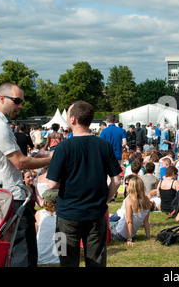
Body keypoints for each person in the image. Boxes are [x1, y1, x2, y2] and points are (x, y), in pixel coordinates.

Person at [47, 101, 122, 267]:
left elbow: (51, 184)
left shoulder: (62, 147)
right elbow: (117, 180)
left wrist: (70, 184)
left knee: (66, 260)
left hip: (66, 215)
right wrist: (105, 199)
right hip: (95, 213)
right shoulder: (104, 145)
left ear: (73, 119)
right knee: (96, 261)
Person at [0, 83, 52, 267]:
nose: (20, 105)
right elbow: (19, 162)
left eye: (21, 101)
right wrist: (50, 160)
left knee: (4, 252)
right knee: (22, 252)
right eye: (17, 101)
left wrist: (33, 157)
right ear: (1, 98)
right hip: (9, 198)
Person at [110, 175, 151, 245]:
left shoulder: (129, 200)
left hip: (119, 234)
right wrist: (148, 236)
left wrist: (129, 240)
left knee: (105, 222)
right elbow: (146, 221)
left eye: (128, 184)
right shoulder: (146, 200)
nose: (126, 186)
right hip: (129, 233)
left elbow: (129, 221)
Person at [35, 189, 59, 265]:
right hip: (59, 257)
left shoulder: (39, 213)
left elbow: (35, 233)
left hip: (40, 255)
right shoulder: (63, 215)